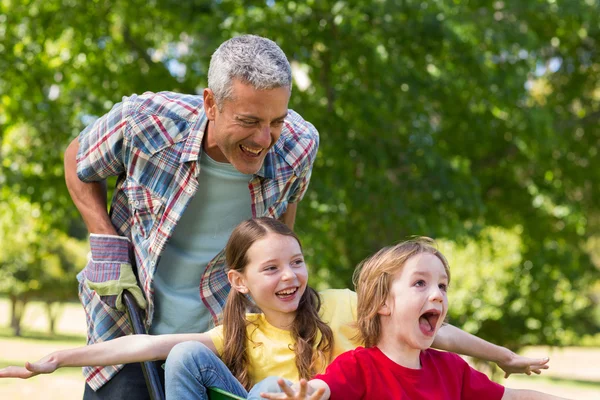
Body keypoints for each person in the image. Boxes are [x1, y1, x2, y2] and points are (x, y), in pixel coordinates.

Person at [0, 219, 550, 400]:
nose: (289, 276)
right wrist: (59, 357)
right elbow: (142, 345)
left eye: (297, 261)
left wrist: (506, 356)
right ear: (239, 282)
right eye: (270, 269)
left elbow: (439, 331)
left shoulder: (340, 305)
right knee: (188, 357)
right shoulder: (241, 332)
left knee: (274, 392)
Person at [63, 33, 319, 399]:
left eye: (276, 120)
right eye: (249, 121)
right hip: (127, 327)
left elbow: (283, 220)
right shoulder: (147, 123)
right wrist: (106, 241)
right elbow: (78, 159)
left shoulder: (299, 145)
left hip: (218, 345)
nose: (264, 138)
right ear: (211, 104)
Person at [258, 238, 567, 400]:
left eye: (442, 285)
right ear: (382, 303)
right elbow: (321, 390)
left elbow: (510, 397)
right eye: (420, 283)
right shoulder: (359, 367)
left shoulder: (452, 369)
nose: (437, 295)